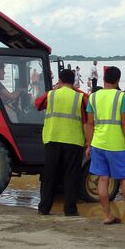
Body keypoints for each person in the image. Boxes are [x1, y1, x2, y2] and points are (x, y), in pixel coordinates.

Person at [84, 66, 125, 225]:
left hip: (98, 144)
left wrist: (89, 145)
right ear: (118, 80)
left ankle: (107, 216)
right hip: (116, 145)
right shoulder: (121, 97)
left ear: (103, 78)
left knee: (102, 180)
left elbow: (89, 124)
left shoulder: (93, 97)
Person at [35, 69, 86, 216]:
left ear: (59, 80)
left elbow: (37, 104)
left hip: (53, 138)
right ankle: (70, 210)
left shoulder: (51, 95)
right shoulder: (79, 97)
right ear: (74, 81)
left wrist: (55, 88)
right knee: (71, 176)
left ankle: (44, 208)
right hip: (73, 140)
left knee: (49, 174)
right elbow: (86, 117)